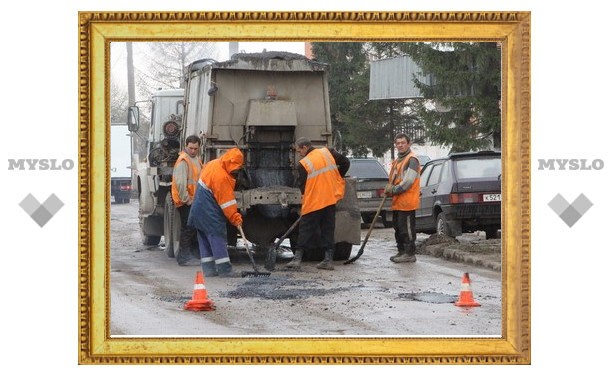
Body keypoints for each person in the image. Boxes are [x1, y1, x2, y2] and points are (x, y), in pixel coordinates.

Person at [285, 137, 350, 271]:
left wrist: (303, 203)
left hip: (315, 201)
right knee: (328, 229)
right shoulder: (327, 152)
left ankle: (297, 259)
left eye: (299, 151)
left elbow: (303, 187)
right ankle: (328, 260)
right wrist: (337, 177)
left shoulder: (304, 163)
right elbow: (345, 162)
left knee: (305, 229)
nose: (299, 154)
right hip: (330, 197)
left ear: (304, 148)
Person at [187, 147, 244, 277]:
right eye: (236, 166)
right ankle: (225, 270)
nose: (236, 170)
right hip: (209, 210)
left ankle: (209, 269)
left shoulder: (214, 163)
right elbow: (227, 203)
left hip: (198, 208)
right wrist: (236, 219)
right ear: (230, 163)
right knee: (217, 236)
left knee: (204, 238)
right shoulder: (222, 177)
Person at [385, 133, 421, 263]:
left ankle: (409, 253)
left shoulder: (412, 160)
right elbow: (394, 179)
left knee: (407, 229)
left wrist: (393, 190)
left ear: (408, 144)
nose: (400, 145)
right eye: (398, 143)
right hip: (398, 202)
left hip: (407, 201)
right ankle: (401, 251)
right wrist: (389, 188)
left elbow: (408, 181)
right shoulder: (397, 161)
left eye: (402, 143)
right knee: (398, 228)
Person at [171, 135, 203, 266]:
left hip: (193, 201)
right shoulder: (183, 161)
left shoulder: (196, 160)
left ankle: (190, 256)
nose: (193, 151)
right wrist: (187, 200)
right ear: (186, 146)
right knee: (187, 229)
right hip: (186, 202)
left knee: (192, 229)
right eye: (191, 148)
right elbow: (180, 183)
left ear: (199, 147)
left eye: (196, 148)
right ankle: (183, 258)